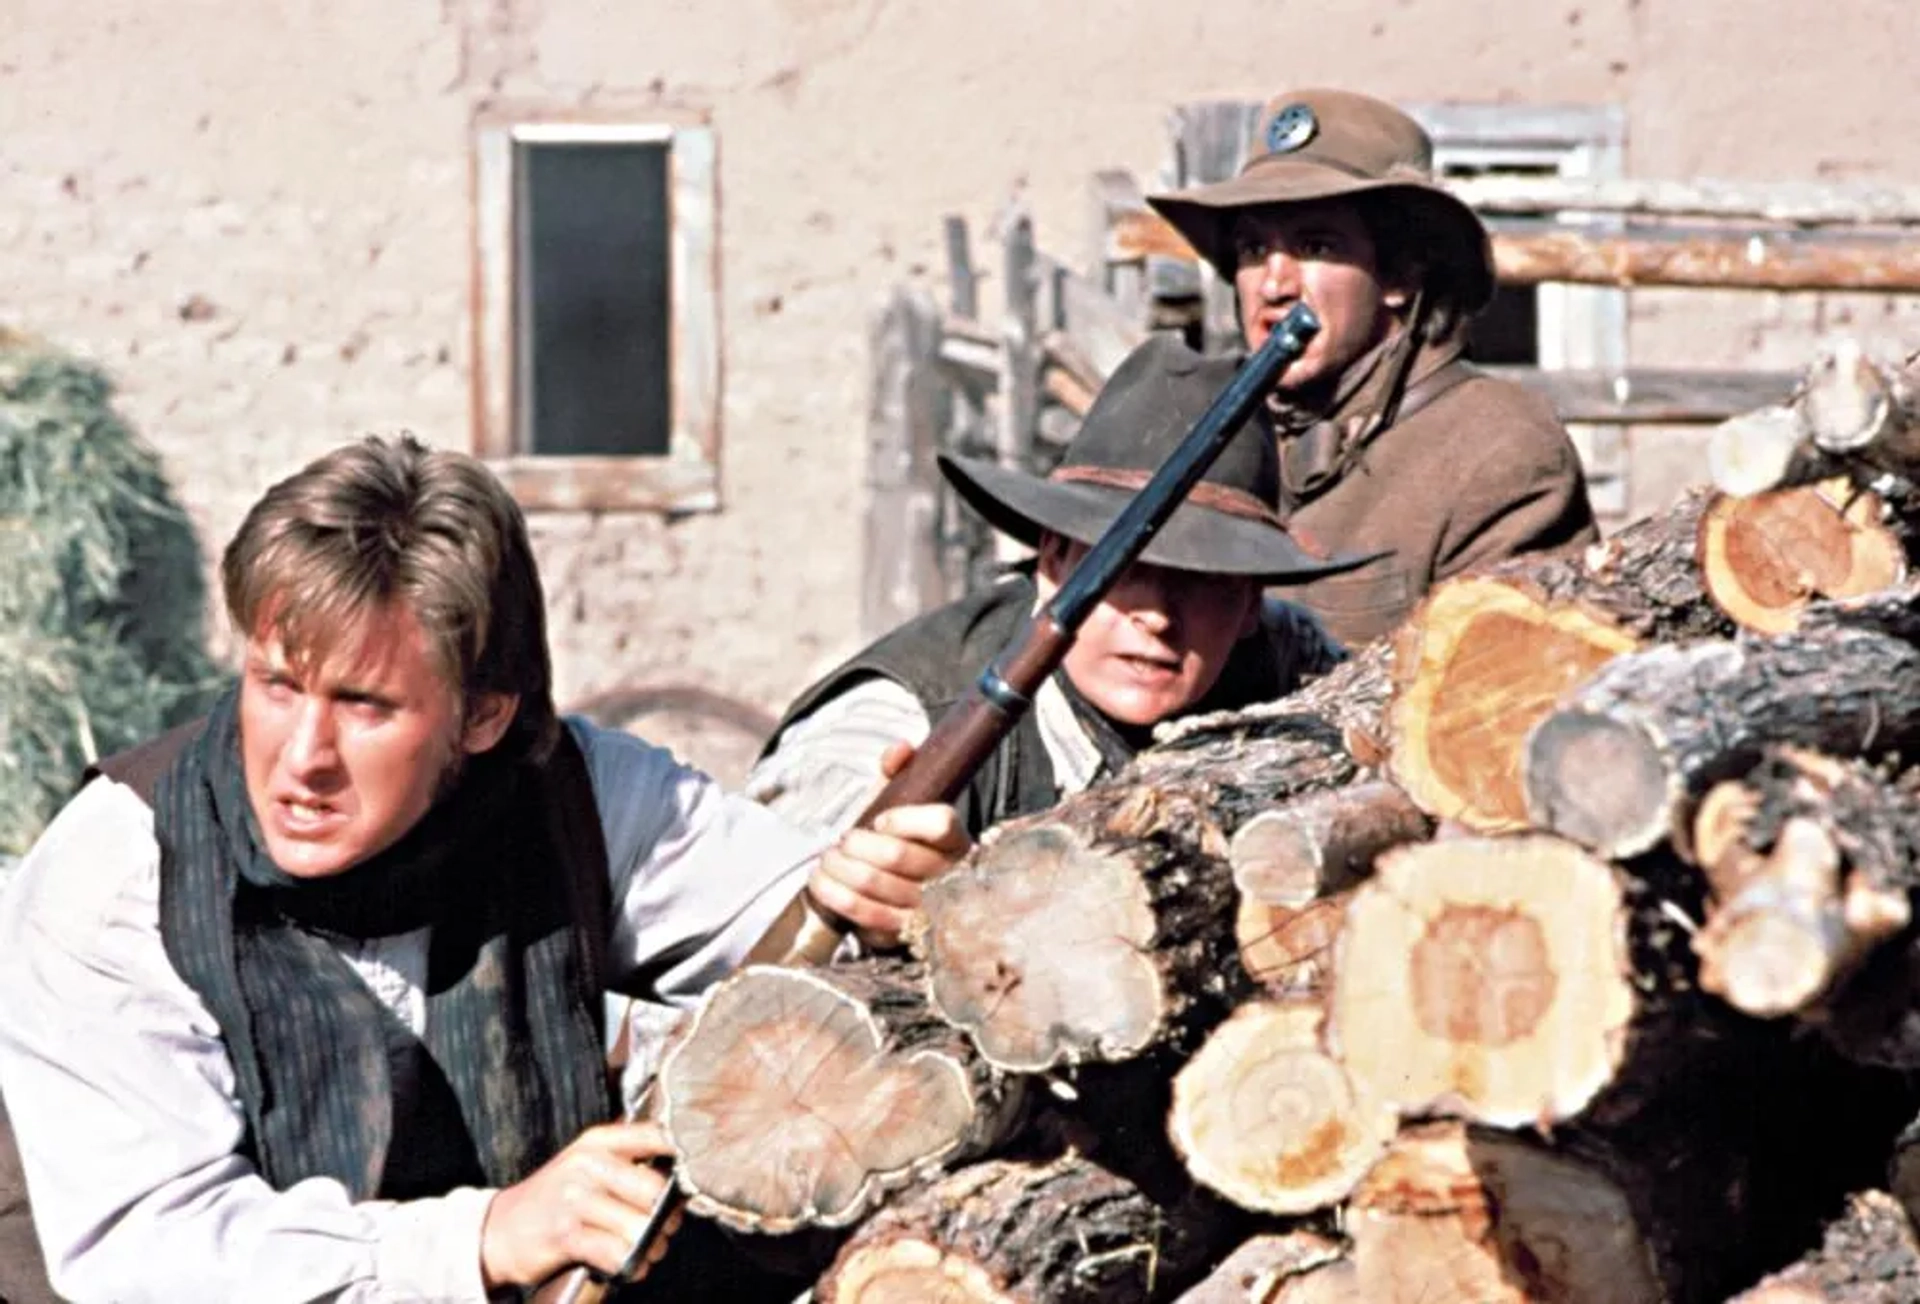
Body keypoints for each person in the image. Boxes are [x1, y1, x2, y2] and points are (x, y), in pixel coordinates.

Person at [0, 434, 969, 1302]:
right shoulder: (120, 872)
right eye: (277, 685)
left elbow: (802, 902)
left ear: (483, 714)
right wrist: (488, 1234)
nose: (302, 756)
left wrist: (909, 892)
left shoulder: (575, 795)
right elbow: (152, 1250)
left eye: (365, 705)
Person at [748, 334, 1368, 841]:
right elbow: (767, 938)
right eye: (1123, 570)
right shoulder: (900, 722)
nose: (1155, 615)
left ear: (1250, 605)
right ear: (1052, 562)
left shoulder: (1294, 664)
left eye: (1203, 581)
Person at [1147, 87, 1601, 647]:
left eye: (1316, 246)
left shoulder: (1497, 451)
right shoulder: (1214, 432)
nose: (1274, 284)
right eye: (1251, 249)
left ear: (1399, 276)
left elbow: (1493, 699)